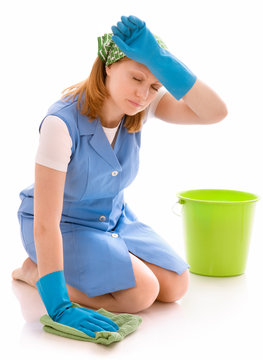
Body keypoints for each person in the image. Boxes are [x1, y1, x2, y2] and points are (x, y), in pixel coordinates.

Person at [12, 15, 227, 337]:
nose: (143, 94)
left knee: (175, 285)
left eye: (155, 85)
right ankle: (35, 272)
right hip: (62, 225)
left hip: (112, 220)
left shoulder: (140, 108)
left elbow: (215, 113)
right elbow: (46, 223)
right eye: (136, 78)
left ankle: (101, 262)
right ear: (108, 67)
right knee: (141, 294)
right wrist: (58, 305)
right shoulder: (60, 124)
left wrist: (159, 59)